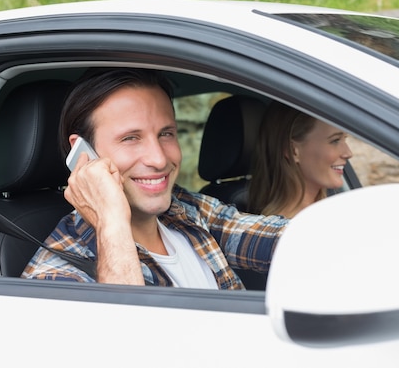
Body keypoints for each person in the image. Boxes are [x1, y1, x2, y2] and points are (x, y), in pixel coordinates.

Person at [22, 68, 288, 289]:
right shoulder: (55, 276)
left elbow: (284, 239)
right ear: (83, 154)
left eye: (166, 133)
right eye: (130, 138)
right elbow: (131, 343)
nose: (159, 159)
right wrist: (111, 223)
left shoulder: (185, 210)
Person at [248, 101, 354, 218]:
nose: (348, 153)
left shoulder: (329, 211)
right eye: (335, 141)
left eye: (345, 139)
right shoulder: (288, 228)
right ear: (292, 150)